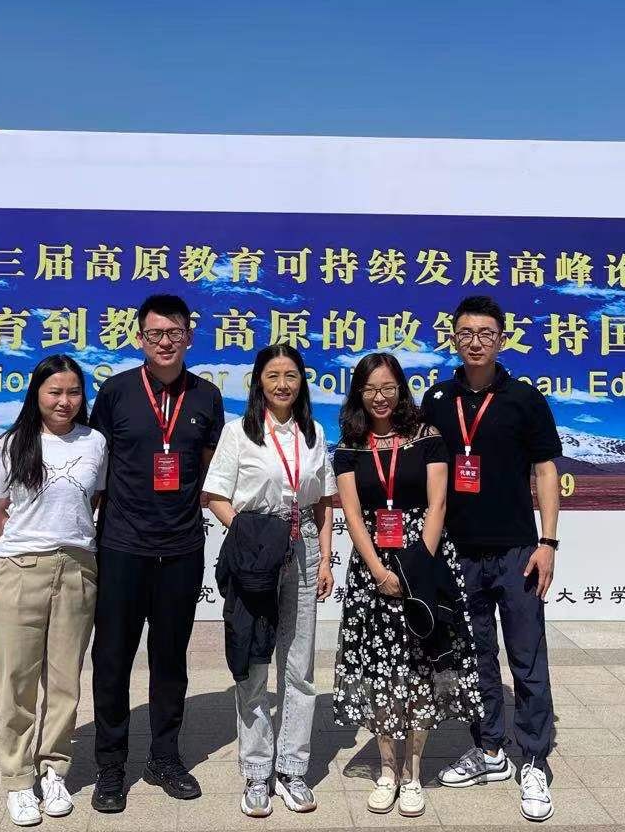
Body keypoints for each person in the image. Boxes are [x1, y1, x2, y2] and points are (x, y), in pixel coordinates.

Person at [424, 295, 562, 823]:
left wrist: (548, 543)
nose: (475, 341)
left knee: (527, 658)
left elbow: (546, 472)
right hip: (460, 553)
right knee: (476, 657)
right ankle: (489, 750)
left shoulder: (524, 399)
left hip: (517, 553)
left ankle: (534, 759)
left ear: (501, 339)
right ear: (453, 338)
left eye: (485, 332)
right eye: (466, 332)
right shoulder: (438, 399)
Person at [88, 293, 225, 813]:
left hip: (182, 548)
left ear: (189, 336)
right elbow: (94, 468)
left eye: (173, 333)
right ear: (139, 338)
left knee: (170, 661)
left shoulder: (206, 397)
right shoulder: (116, 392)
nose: (164, 342)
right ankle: (110, 766)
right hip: (122, 547)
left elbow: (212, 471)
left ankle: (164, 758)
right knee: (112, 659)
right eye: (154, 334)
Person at [331, 352, 482, 819]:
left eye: (388, 387)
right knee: (382, 670)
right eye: (370, 389)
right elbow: (353, 515)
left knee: (420, 667)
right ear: (359, 393)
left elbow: (438, 505)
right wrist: (380, 571)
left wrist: (418, 567)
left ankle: (413, 773)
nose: (379, 397)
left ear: (401, 389)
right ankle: (386, 770)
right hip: (372, 569)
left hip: (425, 562)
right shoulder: (349, 447)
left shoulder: (427, 437)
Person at [203, 344, 336, 818]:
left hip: (302, 552)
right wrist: (247, 534)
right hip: (257, 555)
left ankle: (293, 768)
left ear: (302, 382)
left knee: (299, 667)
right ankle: (257, 770)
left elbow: (323, 501)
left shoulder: (314, 433)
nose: (282, 384)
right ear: (258, 381)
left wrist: (325, 559)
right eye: (273, 375)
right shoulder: (239, 432)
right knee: (255, 662)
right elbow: (215, 494)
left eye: (291, 375)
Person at [0, 354, 108, 827]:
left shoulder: (95, 442)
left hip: (77, 568)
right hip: (21, 570)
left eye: (73, 392)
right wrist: (24, 546)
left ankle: (55, 769)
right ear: (36, 393)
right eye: (54, 391)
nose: (64, 401)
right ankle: (18, 779)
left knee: (64, 682)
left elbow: (95, 498)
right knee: (15, 680)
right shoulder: (12, 444)